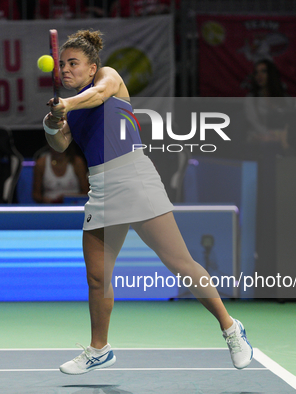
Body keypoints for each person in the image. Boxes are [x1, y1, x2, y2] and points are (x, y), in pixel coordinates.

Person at [43, 29, 253, 375]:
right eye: (62, 64)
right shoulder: (71, 108)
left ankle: (232, 329)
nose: (65, 69)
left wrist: (66, 105)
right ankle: (100, 349)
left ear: (92, 66)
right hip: (101, 188)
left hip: (134, 178)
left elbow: (97, 96)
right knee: (97, 276)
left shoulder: (108, 78)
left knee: (180, 264)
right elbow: (60, 144)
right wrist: (53, 123)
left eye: (73, 63)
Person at [244, 59, 290, 148]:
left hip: (282, 137)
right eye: (257, 72)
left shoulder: (285, 98)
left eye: (263, 71)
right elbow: (254, 122)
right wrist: (269, 135)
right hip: (258, 137)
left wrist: (280, 136)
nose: (259, 75)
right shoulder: (251, 98)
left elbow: (289, 121)